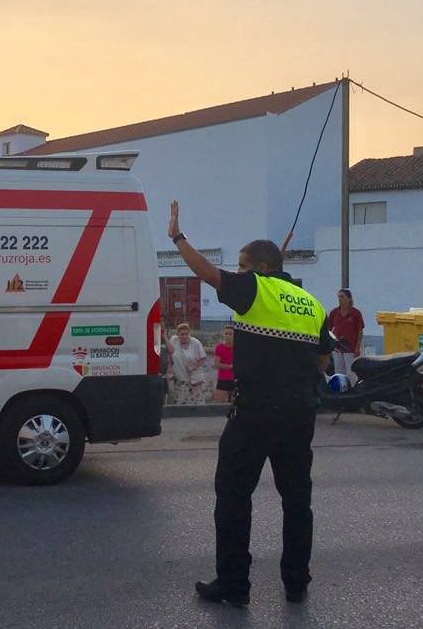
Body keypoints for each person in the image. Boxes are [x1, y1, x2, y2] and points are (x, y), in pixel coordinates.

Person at [167, 200, 332, 608]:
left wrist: (177, 237)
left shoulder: (255, 288)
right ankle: (296, 584)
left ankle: (234, 585)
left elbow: (208, 273)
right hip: (299, 415)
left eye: (242, 266)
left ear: (260, 268)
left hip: (255, 412)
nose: (237, 273)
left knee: (233, 496)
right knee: (297, 501)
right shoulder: (311, 304)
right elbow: (322, 360)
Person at [166, 323, 208, 405]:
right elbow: (170, 356)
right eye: (182, 334)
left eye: (186, 334)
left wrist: (193, 366)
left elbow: (203, 358)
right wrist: (169, 370)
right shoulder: (174, 341)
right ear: (178, 334)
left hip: (194, 378)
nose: (184, 336)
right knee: (181, 402)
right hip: (180, 378)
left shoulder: (195, 343)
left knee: (196, 403)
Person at [328, 289, 364, 378]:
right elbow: (329, 329)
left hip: (350, 347)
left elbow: (360, 331)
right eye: (339, 296)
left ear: (349, 298)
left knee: (351, 372)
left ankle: (352, 386)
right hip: (337, 348)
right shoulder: (334, 312)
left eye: (342, 296)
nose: (340, 299)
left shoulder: (355, 313)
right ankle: (341, 386)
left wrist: (357, 348)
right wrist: (330, 344)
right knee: (339, 372)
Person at [214, 326, 235, 403]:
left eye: (230, 334)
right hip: (223, 379)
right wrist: (230, 367)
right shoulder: (219, 347)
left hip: (235, 379)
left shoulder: (238, 347)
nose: (228, 336)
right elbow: (216, 364)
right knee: (219, 404)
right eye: (226, 334)